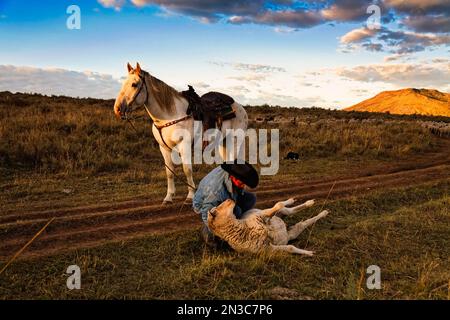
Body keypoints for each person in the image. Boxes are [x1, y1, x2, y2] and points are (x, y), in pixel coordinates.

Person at [192, 160, 259, 246]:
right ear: (233, 177)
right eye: (242, 182)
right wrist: (216, 231)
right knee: (236, 211)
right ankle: (206, 231)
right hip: (206, 205)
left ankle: (237, 223)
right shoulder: (216, 191)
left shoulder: (233, 169)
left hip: (225, 196)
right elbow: (206, 213)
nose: (244, 185)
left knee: (250, 199)